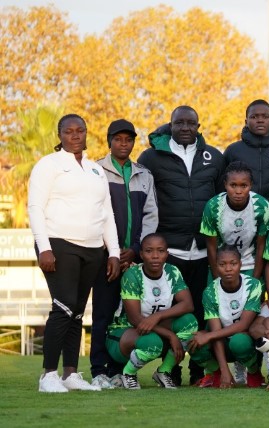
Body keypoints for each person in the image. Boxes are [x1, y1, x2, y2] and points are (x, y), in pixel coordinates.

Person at [29, 114, 121, 393]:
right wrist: (43, 247)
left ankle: (70, 373)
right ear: (60, 135)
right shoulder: (49, 165)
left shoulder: (95, 170)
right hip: (59, 243)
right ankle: (48, 376)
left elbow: (106, 213)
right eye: (68, 131)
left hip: (93, 247)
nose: (75, 135)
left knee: (78, 312)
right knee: (64, 306)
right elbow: (35, 207)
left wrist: (114, 251)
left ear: (86, 133)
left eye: (80, 130)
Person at [138, 105, 225, 385]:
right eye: (180, 123)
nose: (185, 128)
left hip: (203, 250)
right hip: (169, 250)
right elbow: (143, 201)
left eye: (191, 123)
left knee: (201, 313)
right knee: (169, 314)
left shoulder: (213, 156)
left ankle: (200, 371)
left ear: (199, 127)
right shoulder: (151, 157)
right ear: (171, 125)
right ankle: (171, 370)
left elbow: (222, 198)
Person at [91, 119, 158, 389]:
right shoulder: (95, 171)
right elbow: (93, 213)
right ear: (109, 141)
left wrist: (138, 249)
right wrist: (113, 251)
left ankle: (118, 369)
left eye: (128, 139)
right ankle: (98, 370)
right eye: (118, 139)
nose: (123, 144)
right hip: (106, 257)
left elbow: (151, 215)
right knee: (103, 314)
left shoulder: (144, 174)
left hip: (133, 258)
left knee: (126, 315)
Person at [105, 234, 197, 389]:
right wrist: (170, 335)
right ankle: (128, 374)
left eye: (160, 251)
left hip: (154, 327)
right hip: (123, 332)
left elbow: (188, 304)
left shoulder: (172, 272)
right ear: (141, 254)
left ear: (167, 254)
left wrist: (158, 316)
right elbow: (135, 319)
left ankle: (164, 371)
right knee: (153, 342)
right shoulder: (132, 275)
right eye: (149, 251)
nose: (155, 256)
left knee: (189, 322)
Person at [188, 245, 265, 388]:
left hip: (245, 342)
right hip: (222, 343)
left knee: (239, 341)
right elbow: (216, 332)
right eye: (222, 264)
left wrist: (208, 336)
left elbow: (244, 325)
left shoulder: (254, 285)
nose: (228, 268)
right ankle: (216, 372)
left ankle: (254, 371)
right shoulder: (210, 292)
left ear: (240, 264)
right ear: (215, 267)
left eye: (233, 264)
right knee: (192, 342)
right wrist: (224, 370)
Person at [201, 161, 269, 281]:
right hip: (222, 267)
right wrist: (217, 278)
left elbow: (261, 246)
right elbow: (211, 247)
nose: (238, 191)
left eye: (244, 186)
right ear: (225, 184)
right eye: (233, 185)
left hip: (250, 265)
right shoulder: (213, 207)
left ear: (251, 185)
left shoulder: (262, 206)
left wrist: (255, 280)